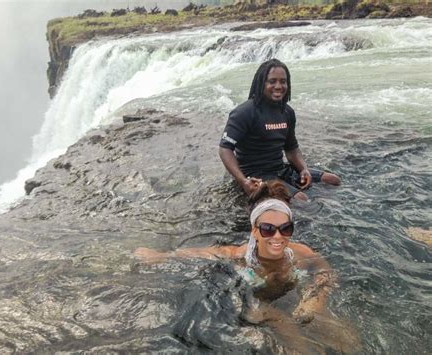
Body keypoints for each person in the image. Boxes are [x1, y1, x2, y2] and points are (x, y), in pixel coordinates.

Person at [135, 182, 358, 352]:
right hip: (259, 307)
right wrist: (160, 255)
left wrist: (315, 300)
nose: (277, 237)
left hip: (291, 295)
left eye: (285, 228)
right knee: (290, 335)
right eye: (268, 229)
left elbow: (325, 271)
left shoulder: (300, 252)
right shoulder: (240, 256)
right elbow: (201, 253)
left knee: (346, 338)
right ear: (254, 231)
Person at [219, 58, 341, 200]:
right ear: (261, 83)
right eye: (272, 81)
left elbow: (291, 148)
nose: (278, 86)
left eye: (283, 81)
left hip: (280, 169)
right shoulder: (244, 112)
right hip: (255, 175)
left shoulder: (287, 112)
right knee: (301, 199)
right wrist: (243, 181)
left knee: (333, 180)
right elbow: (225, 149)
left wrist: (303, 169)